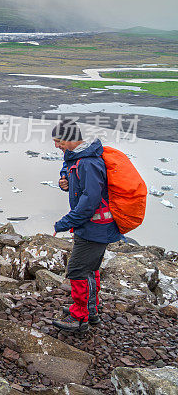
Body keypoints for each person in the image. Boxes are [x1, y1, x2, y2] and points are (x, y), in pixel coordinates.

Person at [50, 119, 121, 333]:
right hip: (93, 226)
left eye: (59, 141)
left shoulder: (89, 163)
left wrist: (64, 223)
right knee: (89, 269)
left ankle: (79, 318)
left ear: (70, 139)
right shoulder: (79, 157)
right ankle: (90, 310)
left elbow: (90, 201)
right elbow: (68, 166)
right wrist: (66, 180)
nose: (57, 146)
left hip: (94, 227)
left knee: (77, 270)